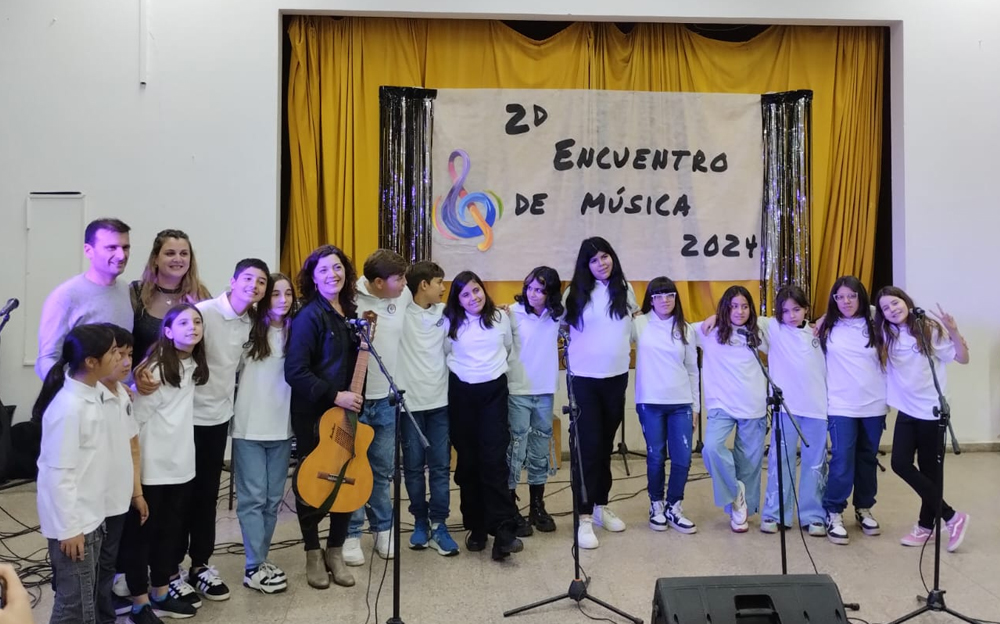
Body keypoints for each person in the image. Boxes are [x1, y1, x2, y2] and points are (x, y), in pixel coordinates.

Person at [136, 258, 269, 601]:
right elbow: (170, 345)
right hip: (186, 421)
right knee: (179, 500)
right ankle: (169, 570)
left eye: (261, 282)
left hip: (218, 419)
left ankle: (200, 565)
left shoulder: (252, 322)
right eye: (248, 279)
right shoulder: (205, 313)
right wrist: (140, 373)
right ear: (233, 281)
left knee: (207, 498)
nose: (254, 286)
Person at [123, 304, 208, 622]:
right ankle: (139, 603)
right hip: (152, 469)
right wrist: (134, 478)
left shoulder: (192, 365)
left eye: (197, 321)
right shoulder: (155, 369)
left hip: (180, 466)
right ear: (168, 332)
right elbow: (135, 422)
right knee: (143, 537)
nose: (193, 327)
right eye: (184, 323)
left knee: (169, 534)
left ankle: (160, 593)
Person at [283, 245, 361, 590]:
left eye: (338, 267)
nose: (333, 274)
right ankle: (313, 552)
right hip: (314, 414)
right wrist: (334, 395)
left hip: (348, 413)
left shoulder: (351, 312)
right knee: (313, 480)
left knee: (346, 476)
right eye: (324, 270)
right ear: (313, 278)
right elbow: (295, 371)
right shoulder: (308, 316)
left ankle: (335, 550)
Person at [34, 324, 121, 624]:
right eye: (113, 352)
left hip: (91, 515)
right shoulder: (69, 408)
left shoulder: (92, 392)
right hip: (73, 524)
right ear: (91, 362)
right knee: (74, 606)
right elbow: (58, 474)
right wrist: (70, 529)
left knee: (87, 598)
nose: (119, 357)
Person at [875, 288, 971, 551]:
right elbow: (859, 312)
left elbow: (962, 358)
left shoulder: (928, 328)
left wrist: (953, 331)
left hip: (932, 412)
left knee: (930, 472)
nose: (892, 310)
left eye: (895, 303)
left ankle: (926, 526)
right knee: (900, 463)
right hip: (907, 411)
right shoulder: (885, 333)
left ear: (906, 302)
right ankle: (952, 517)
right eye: (886, 308)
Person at [562, 237, 636, 549]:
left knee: (605, 446)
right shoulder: (575, 292)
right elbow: (556, 324)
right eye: (594, 260)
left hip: (616, 379)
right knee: (587, 448)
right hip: (584, 381)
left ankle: (600, 506)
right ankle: (583, 517)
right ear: (586, 265)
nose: (601, 263)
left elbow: (634, 328)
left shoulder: (625, 290)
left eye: (605, 256)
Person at [444, 271, 523, 561]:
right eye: (465, 294)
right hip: (461, 394)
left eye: (476, 290)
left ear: (483, 290)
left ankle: (503, 530)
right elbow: (445, 352)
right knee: (468, 462)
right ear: (457, 299)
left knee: (494, 461)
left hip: (494, 393)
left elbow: (508, 348)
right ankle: (476, 526)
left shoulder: (501, 318)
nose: (473, 298)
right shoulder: (449, 322)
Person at [344, 250, 410, 565]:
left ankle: (383, 528)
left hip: (386, 399)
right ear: (379, 282)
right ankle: (351, 533)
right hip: (353, 401)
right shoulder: (350, 298)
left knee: (382, 471)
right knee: (352, 470)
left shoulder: (403, 295)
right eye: (400, 279)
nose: (406, 283)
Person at [232, 273, 296, 593]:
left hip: (282, 428)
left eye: (288, 294)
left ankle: (260, 560)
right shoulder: (248, 329)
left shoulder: (297, 331)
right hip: (249, 427)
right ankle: (253, 565)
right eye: (275, 294)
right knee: (253, 498)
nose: (283, 300)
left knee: (272, 500)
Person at [396, 261, 460, 555]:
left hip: (439, 404)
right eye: (439, 282)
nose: (443, 288)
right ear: (423, 285)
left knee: (439, 467)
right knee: (412, 468)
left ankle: (439, 524)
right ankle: (419, 522)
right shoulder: (400, 312)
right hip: (409, 406)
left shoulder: (445, 313)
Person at [818, 276, 886, 545]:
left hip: (874, 404)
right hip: (840, 405)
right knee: (842, 458)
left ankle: (864, 508)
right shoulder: (827, 326)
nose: (846, 301)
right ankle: (834, 511)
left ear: (861, 297)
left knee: (867, 458)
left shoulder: (876, 322)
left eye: (852, 296)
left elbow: (885, 308)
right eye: (840, 296)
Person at [757, 286, 829, 536]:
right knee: (780, 461)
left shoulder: (820, 332)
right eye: (785, 311)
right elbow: (742, 316)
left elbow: (869, 311)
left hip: (817, 408)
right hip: (785, 408)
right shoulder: (772, 328)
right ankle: (775, 513)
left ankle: (813, 515)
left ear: (806, 309)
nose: (791, 315)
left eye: (796, 309)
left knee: (815, 464)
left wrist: (826, 316)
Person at [696, 286, 767, 533]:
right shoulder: (709, 331)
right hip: (721, 406)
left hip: (753, 406)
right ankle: (736, 492)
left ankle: (739, 510)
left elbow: (791, 326)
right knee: (712, 448)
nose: (739, 311)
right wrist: (714, 317)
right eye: (734, 306)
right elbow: (677, 327)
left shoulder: (759, 330)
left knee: (748, 464)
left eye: (744, 306)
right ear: (724, 308)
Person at [633, 277, 699, 534]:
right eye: (658, 296)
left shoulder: (686, 328)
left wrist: (696, 407)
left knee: (683, 457)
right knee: (656, 456)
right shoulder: (639, 324)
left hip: (681, 403)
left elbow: (693, 370)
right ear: (650, 300)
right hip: (650, 402)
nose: (664, 300)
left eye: (669, 295)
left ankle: (674, 505)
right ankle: (656, 505)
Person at [36, 218, 132, 380]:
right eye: (111, 248)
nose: (121, 255)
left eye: (125, 247)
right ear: (88, 251)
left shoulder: (125, 289)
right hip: (83, 394)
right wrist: (71, 391)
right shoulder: (65, 296)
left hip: (119, 393)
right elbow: (47, 359)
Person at [96, 325, 147, 623]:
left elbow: (133, 447)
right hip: (93, 501)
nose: (126, 362)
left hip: (117, 497)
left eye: (130, 354)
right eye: (118, 354)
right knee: (86, 568)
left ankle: (105, 614)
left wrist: (136, 493)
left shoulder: (124, 396)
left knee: (107, 562)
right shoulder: (86, 397)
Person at [506, 266, 563, 535]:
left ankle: (537, 505)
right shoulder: (512, 313)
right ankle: (509, 506)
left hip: (545, 390)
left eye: (540, 290)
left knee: (540, 449)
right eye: (529, 288)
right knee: (515, 449)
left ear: (551, 293)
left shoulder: (557, 316)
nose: (532, 294)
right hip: (517, 389)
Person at [129, 229, 212, 367]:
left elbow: (210, 343)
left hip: (187, 378)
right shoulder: (136, 292)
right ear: (155, 259)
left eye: (184, 254)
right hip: (141, 377)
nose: (178, 259)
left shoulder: (201, 295)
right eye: (170, 253)